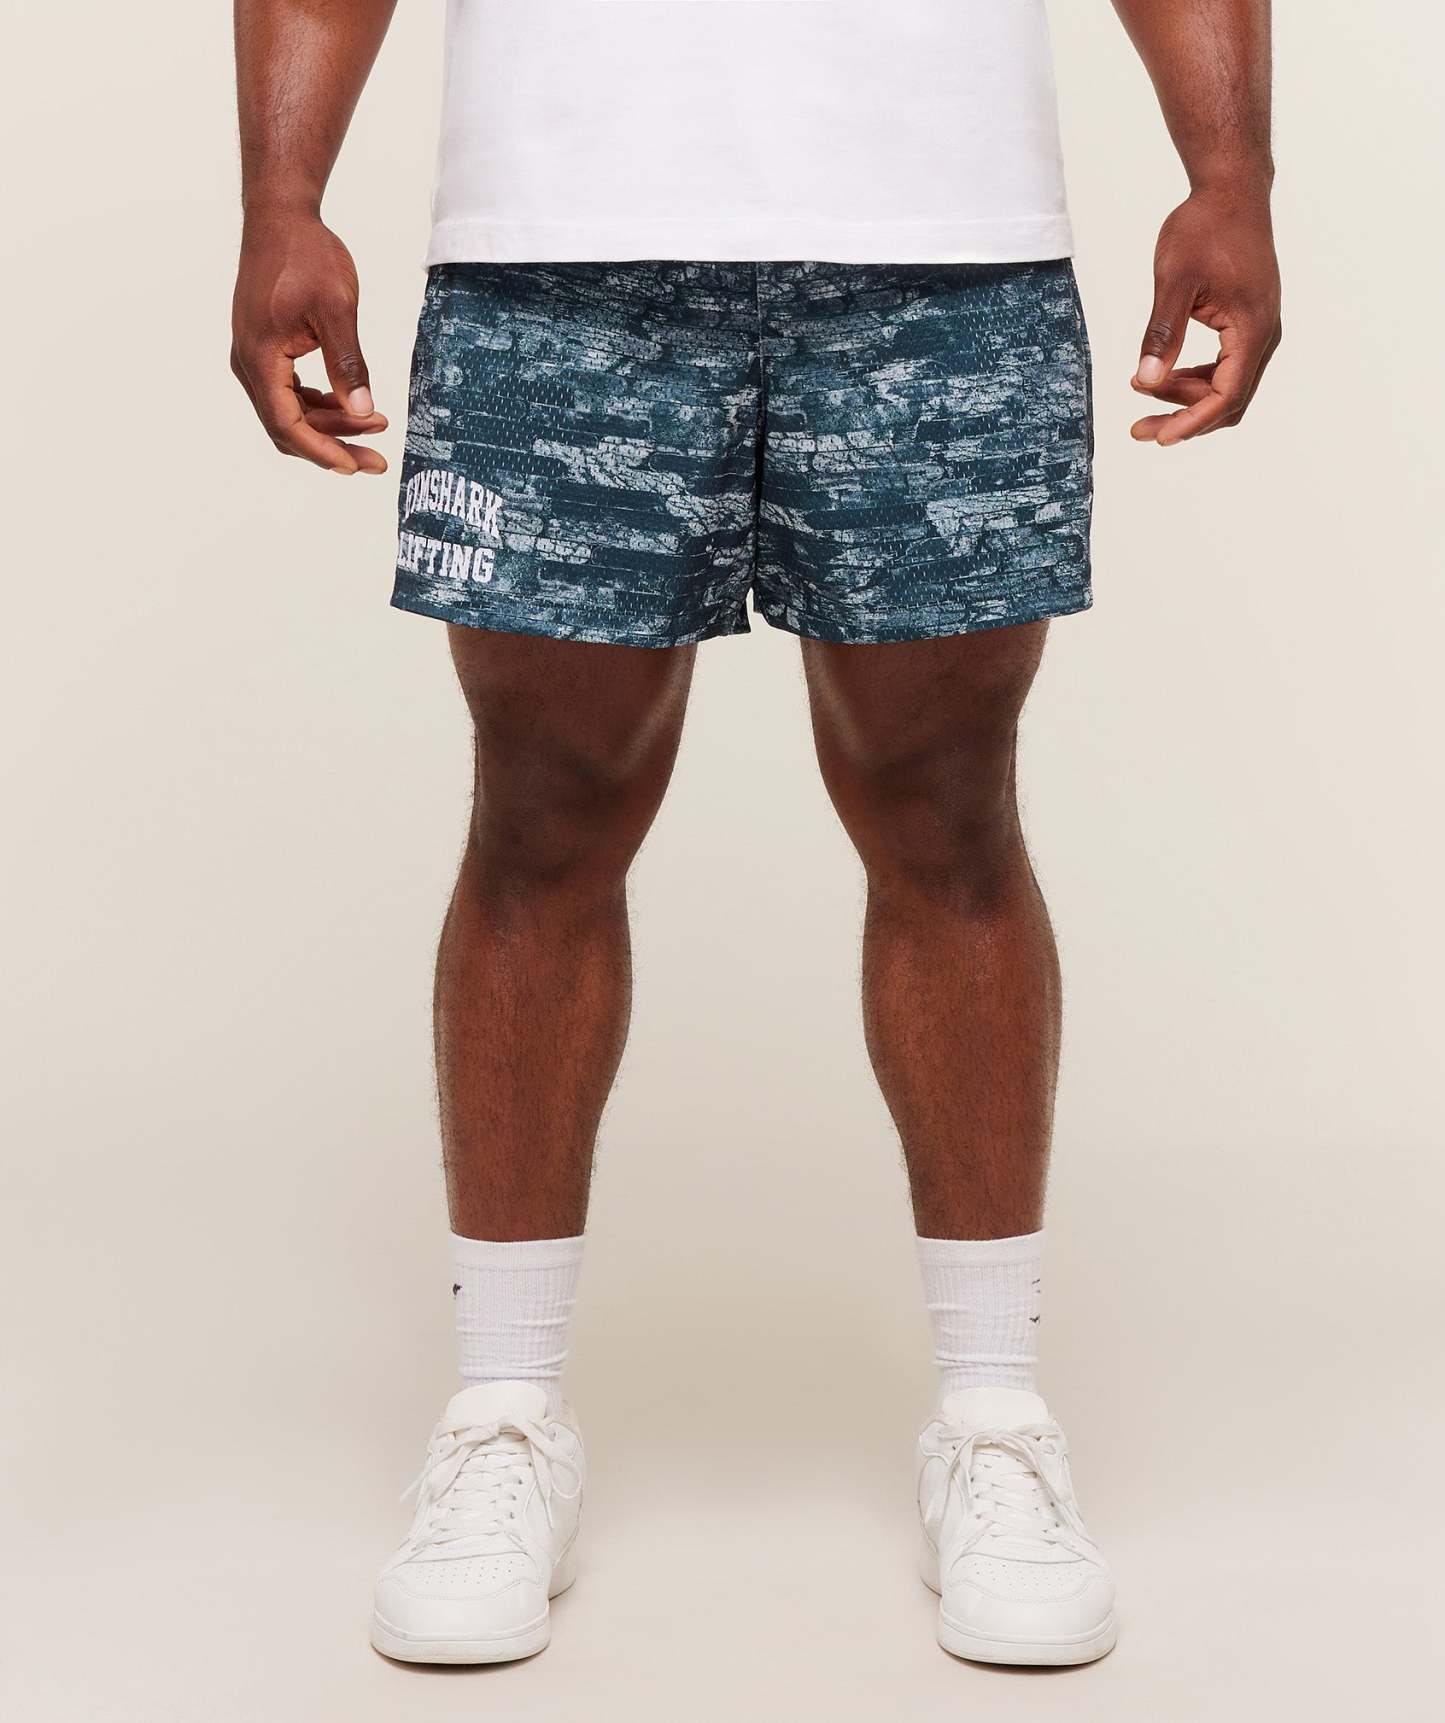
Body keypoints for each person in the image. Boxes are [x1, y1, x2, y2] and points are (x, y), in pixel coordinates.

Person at [231, 0, 1280, 1669]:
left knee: (945, 809)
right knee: (542, 812)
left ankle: (991, 1421)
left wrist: (1229, 174)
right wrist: (281, 195)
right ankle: (503, 1415)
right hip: (551, 248)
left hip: (946, 246)